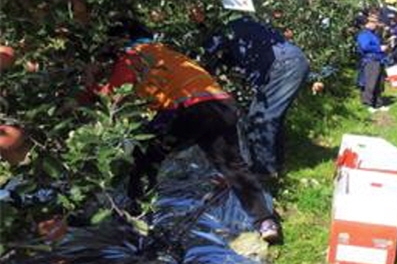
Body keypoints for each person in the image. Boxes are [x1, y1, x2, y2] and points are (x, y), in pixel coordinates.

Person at [87, 18, 282, 243]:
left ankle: (136, 223)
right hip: (222, 103)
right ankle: (266, 222)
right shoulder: (168, 53)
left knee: (144, 160)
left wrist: (89, 81)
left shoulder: (132, 56)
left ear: (122, 40)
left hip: (188, 109)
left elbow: (110, 97)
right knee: (233, 166)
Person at [203, 16, 310, 179]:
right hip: (291, 62)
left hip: (285, 66)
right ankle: (275, 164)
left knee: (261, 117)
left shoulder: (226, 27)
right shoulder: (243, 23)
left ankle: (263, 172)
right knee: (272, 116)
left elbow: (206, 51)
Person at [356, 14, 389, 112]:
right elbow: (365, 47)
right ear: (368, 23)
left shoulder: (373, 33)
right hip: (370, 61)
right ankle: (368, 104)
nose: (376, 24)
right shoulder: (363, 34)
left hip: (378, 60)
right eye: (374, 22)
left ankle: (378, 103)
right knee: (370, 83)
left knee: (379, 83)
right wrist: (379, 48)